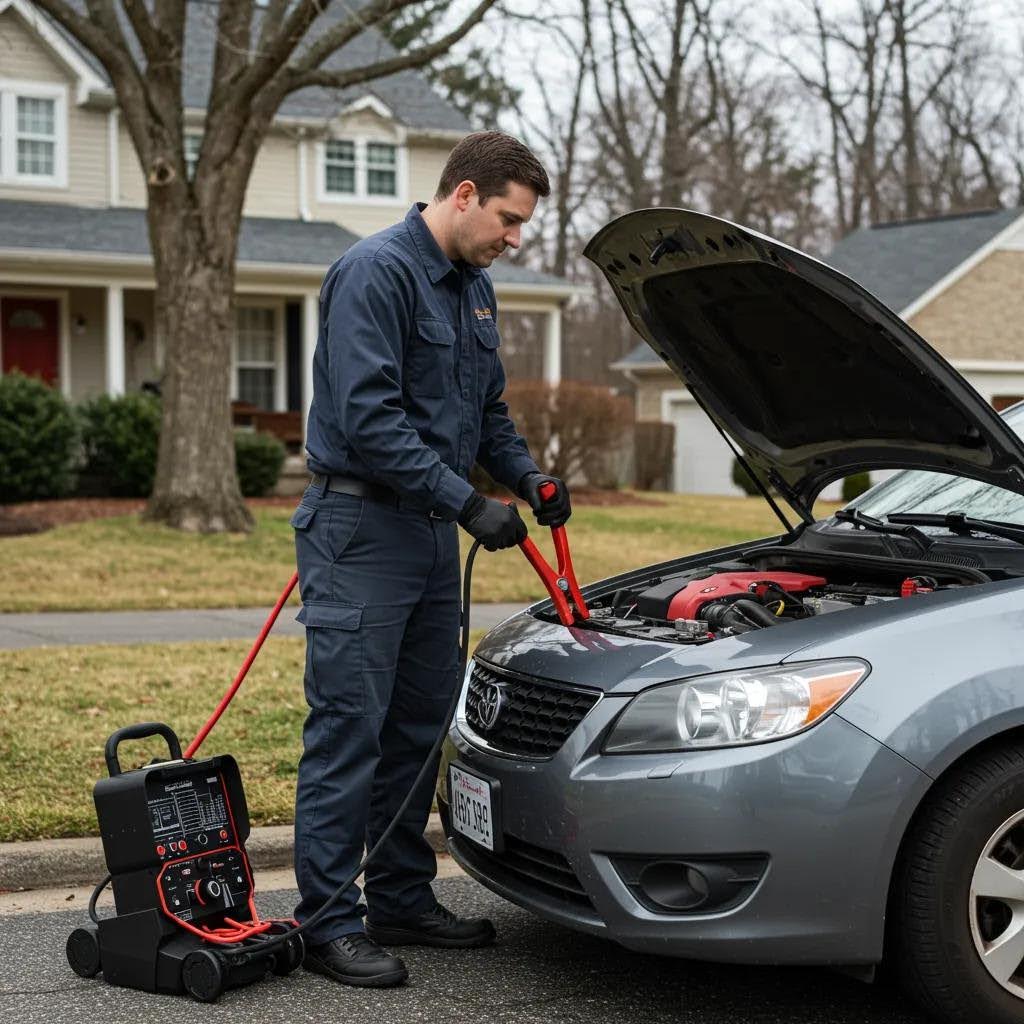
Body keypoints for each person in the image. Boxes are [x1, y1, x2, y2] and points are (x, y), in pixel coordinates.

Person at [290, 130, 572, 988]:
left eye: (522, 226)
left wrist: (526, 478)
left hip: (426, 537)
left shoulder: (474, 290)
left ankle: (399, 899)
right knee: (350, 728)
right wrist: (467, 504)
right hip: (359, 530)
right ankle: (326, 921)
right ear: (464, 194)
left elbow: (487, 415)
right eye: (508, 219)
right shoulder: (374, 273)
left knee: (419, 725)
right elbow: (369, 420)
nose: (514, 239)